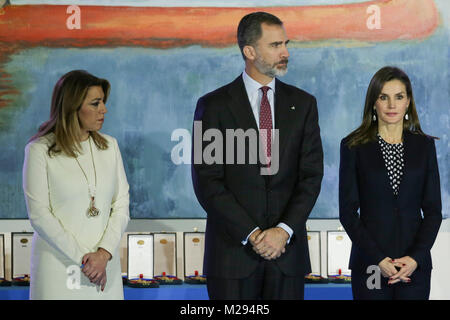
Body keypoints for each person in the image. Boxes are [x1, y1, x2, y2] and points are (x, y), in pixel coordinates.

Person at [192, 12, 323, 300]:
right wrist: (253, 234)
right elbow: (208, 182)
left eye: (285, 44)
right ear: (249, 52)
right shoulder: (213, 106)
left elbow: (311, 177)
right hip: (231, 260)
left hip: (286, 258)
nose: (285, 53)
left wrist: (282, 231)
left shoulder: (303, 105)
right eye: (275, 45)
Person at [22, 70, 130, 299]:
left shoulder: (110, 147)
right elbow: (39, 215)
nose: (104, 109)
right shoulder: (39, 150)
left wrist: (103, 254)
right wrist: (87, 260)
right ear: (72, 106)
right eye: (95, 103)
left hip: (103, 269)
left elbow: (121, 205)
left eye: (103, 102)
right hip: (58, 268)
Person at [339, 66, 442, 300]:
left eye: (399, 97)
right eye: (383, 97)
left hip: (413, 267)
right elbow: (347, 212)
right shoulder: (353, 146)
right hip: (371, 265)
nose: (392, 105)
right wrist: (378, 258)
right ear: (373, 102)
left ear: (408, 102)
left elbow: (434, 212)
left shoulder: (424, 146)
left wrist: (416, 258)